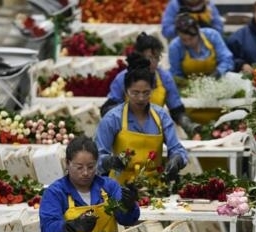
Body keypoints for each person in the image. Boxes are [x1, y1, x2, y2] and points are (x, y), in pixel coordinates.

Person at [39, 135, 140, 232]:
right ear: (67, 163)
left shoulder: (109, 186)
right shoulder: (56, 193)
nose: (86, 173)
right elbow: (48, 230)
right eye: (79, 167)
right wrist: (72, 226)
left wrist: (128, 206)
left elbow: (126, 220)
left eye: (91, 167)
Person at [95, 52, 189, 186]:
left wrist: (177, 160)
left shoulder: (161, 116)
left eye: (146, 93)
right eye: (135, 93)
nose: (141, 98)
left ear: (152, 90)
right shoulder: (113, 118)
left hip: (155, 187)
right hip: (120, 189)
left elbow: (176, 148)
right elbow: (97, 156)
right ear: (126, 91)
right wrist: (108, 161)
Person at [101, 32, 202, 139]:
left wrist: (190, 127)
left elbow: (177, 110)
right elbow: (107, 109)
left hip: (155, 135)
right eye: (150, 58)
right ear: (139, 56)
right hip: (126, 134)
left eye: (157, 57)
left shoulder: (164, 78)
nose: (154, 62)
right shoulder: (123, 78)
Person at [168, 12, 234, 80]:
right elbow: (176, 74)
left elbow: (227, 59)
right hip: (188, 84)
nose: (188, 43)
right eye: (184, 40)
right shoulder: (175, 47)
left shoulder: (212, 35)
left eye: (191, 38)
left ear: (198, 31)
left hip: (216, 79)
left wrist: (217, 73)